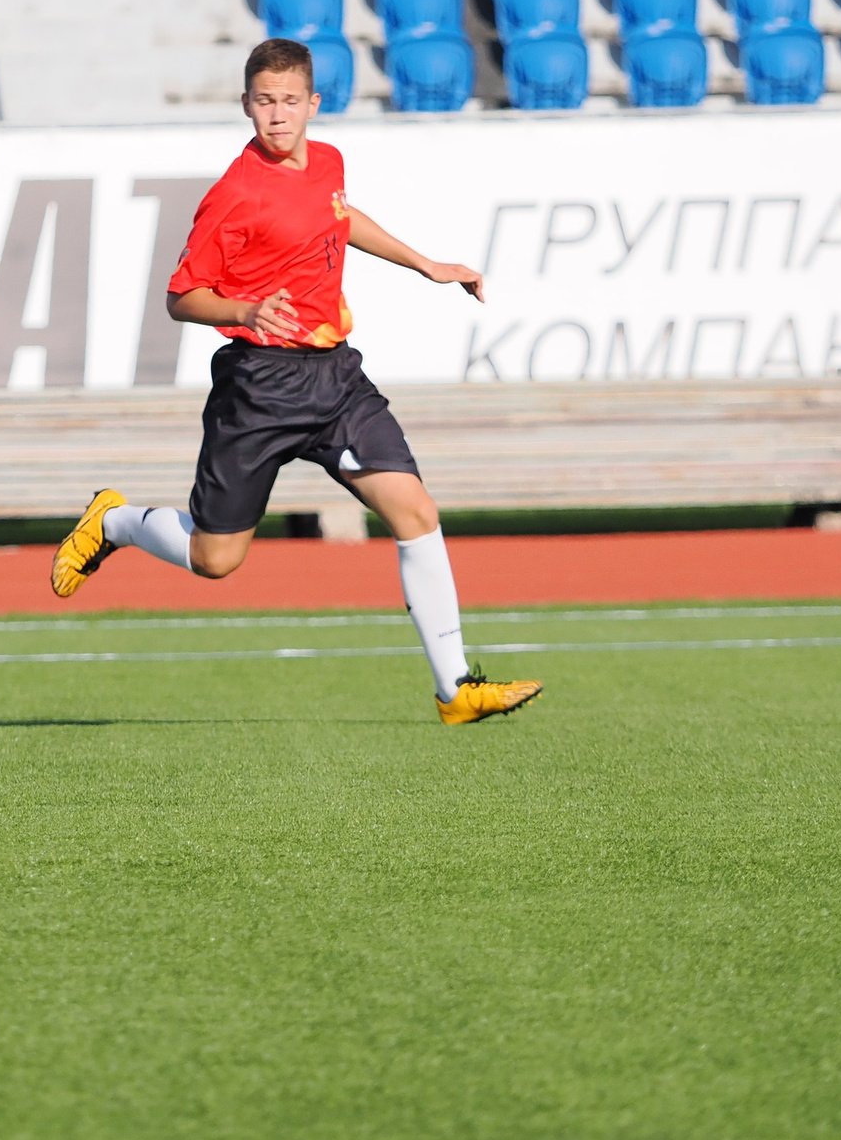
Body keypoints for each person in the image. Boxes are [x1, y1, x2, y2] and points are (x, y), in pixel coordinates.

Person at [50, 39, 541, 725]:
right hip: (260, 386)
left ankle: (456, 689)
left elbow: (337, 213)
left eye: (288, 101)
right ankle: (116, 521)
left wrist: (423, 263)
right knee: (216, 559)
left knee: (416, 512)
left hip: (336, 377)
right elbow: (181, 296)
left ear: (313, 104)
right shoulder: (235, 192)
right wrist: (244, 310)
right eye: (262, 101)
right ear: (245, 104)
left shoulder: (330, 161)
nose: (276, 116)